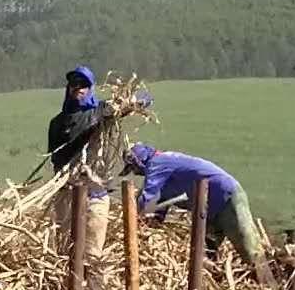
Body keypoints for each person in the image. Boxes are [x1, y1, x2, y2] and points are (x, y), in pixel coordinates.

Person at [122, 144, 266, 273]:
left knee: (250, 251)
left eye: (133, 168)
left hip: (227, 198)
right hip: (208, 210)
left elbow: (146, 198)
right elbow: (160, 202)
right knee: (204, 255)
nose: (135, 173)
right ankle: (213, 285)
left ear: (139, 162)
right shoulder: (163, 169)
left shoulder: (157, 163)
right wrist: (152, 223)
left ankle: (267, 285)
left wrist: (130, 221)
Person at [46, 66, 111, 258]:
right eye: (74, 84)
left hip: (94, 195)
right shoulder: (57, 123)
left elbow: (142, 99)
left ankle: (91, 278)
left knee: (92, 254)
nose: (78, 88)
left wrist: (131, 102)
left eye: (83, 84)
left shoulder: (102, 111)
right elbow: (55, 158)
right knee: (65, 252)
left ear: (90, 88)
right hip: (66, 193)